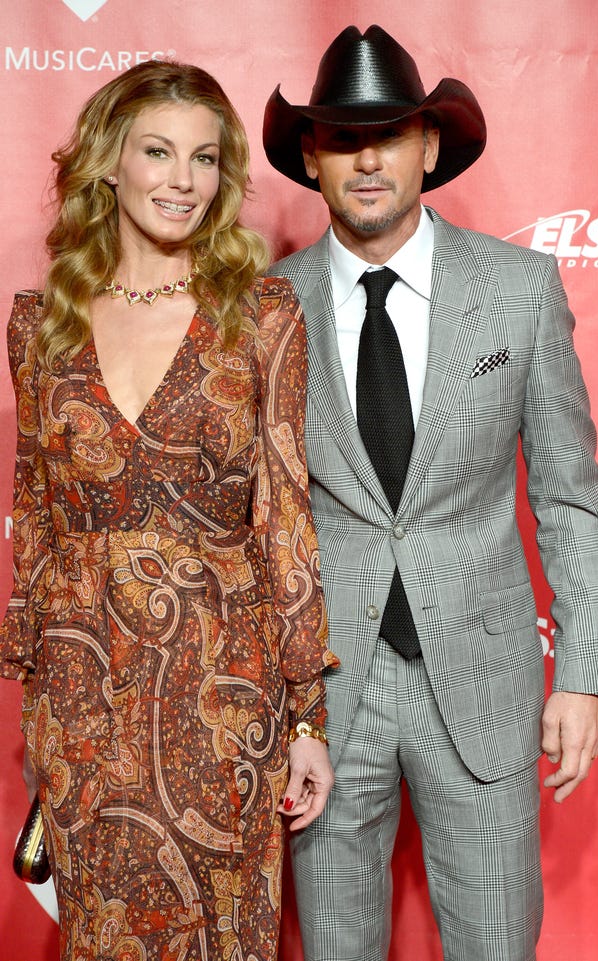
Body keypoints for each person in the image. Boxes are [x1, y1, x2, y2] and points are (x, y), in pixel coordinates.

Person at [262, 24, 598, 961]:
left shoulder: (519, 290)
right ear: (311, 157)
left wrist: (583, 672)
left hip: (485, 677)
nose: (367, 159)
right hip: (325, 697)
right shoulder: (265, 308)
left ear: (428, 147)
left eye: (389, 134)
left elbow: (572, 497)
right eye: (343, 138)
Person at [0, 59, 338, 961]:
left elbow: (285, 518)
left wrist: (308, 717)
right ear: (110, 163)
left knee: (224, 935)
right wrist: (38, 695)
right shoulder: (40, 326)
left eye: (205, 158)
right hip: (81, 697)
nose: (183, 180)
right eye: (158, 152)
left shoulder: (261, 316)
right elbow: (36, 516)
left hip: (221, 695)